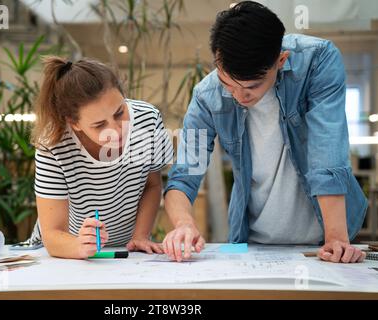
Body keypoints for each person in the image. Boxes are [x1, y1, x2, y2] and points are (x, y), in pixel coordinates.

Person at [162, 1, 367, 263]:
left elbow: (326, 150)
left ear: (281, 60)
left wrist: (336, 238)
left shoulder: (317, 61)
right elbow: (184, 176)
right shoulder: (207, 96)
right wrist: (183, 223)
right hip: (253, 241)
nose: (237, 96)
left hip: (328, 235)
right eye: (228, 83)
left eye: (251, 87)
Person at [29, 56, 173, 259]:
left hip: (125, 250)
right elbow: (52, 236)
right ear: (74, 123)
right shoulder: (53, 144)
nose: (116, 130)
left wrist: (140, 235)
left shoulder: (147, 120)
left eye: (119, 112)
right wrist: (79, 245)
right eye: (99, 125)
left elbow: (152, 185)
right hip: (65, 252)